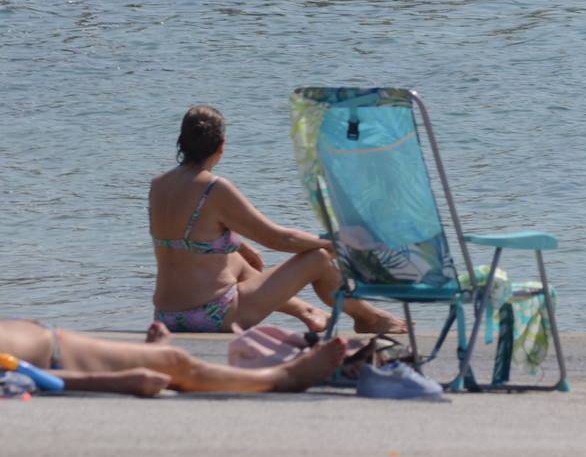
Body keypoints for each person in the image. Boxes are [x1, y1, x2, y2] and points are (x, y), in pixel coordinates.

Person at [150, 105, 406, 335]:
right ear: (222, 145)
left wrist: (239, 246)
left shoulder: (158, 184)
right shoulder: (214, 188)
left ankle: (307, 311)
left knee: (235, 258)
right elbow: (279, 239)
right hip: (213, 316)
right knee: (317, 259)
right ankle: (369, 318)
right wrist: (332, 244)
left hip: (166, 316)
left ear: (182, 141)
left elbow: (185, 236)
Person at [0, 319, 346, 397]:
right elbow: (18, 374)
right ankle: (282, 378)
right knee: (176, 363)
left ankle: (150, 354)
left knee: (164, 357)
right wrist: (117, 382)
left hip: (53, 344)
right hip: (56, 356)